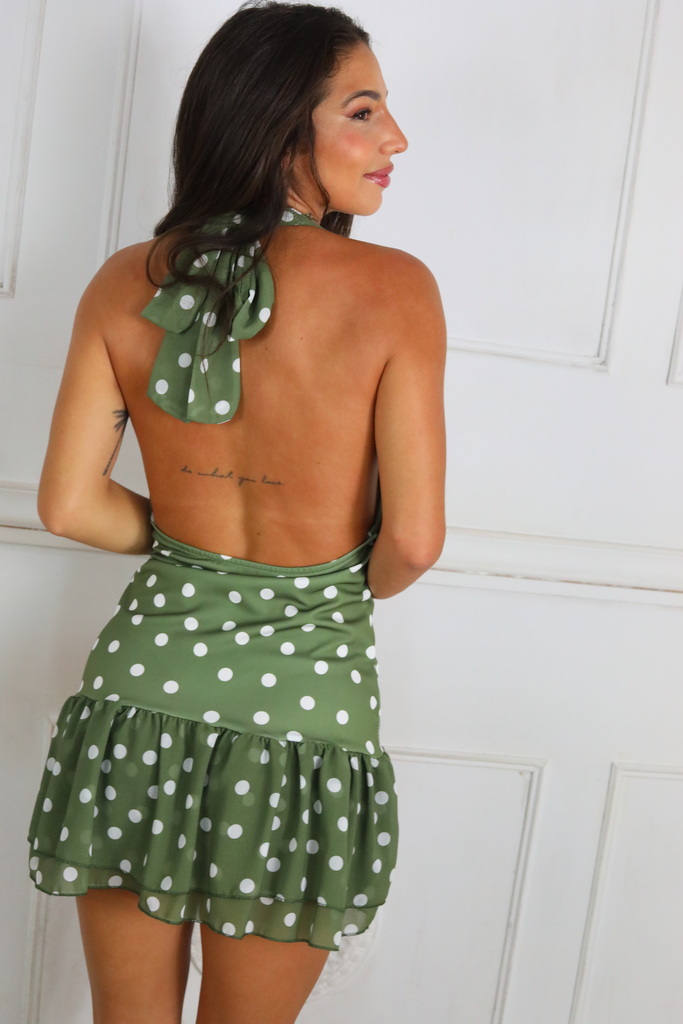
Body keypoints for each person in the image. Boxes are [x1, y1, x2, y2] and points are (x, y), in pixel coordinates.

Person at [27, 2, 446, 1021]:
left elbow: (69, 504)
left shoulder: (124, 281)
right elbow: (413, 540)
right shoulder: (394, 291)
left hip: (137, 700)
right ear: (276, 125)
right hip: (299, 720)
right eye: (362, 111)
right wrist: (323, 582)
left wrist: (194, 544)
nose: (395, 138)